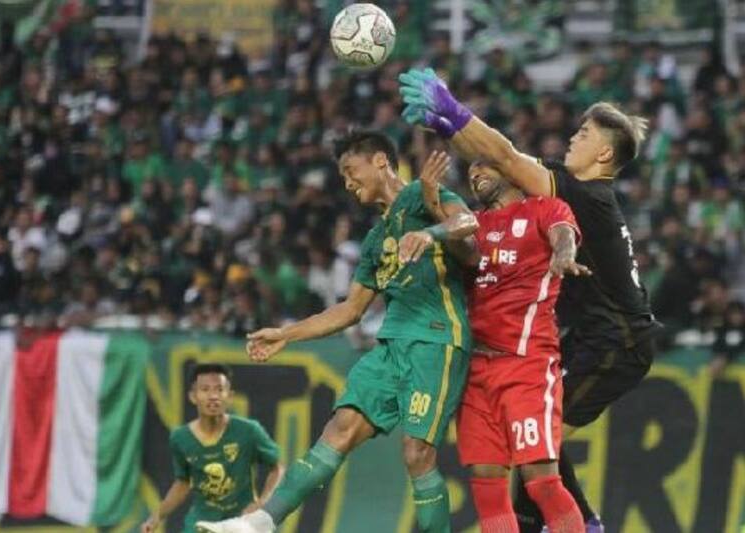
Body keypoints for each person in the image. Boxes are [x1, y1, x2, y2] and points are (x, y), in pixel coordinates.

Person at [398, 68, 662, 532]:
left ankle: (586, 525)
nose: (573, 138)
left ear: (604, 154)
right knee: (533, 452)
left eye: (584, 133)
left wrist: (455, 111)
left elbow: (503, 155)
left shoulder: (588, 197)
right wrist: (450, 130)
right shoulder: (568, 186)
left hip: (617, 341)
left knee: (540, 448)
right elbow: (502, 161)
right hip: (591, 336)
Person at [196, 131, 474, 533]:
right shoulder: (375, 239)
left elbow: (468, 223)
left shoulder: (421, 195)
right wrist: (286, 334)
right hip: (390, 347)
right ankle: (261, 522)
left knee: (417, 454)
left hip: (435, 339)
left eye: (350, 170)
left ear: (380, 160)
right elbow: (350, 310)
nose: (346, 182)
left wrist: (430, 229)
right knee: (340, 427)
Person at [405, 159, 588, 532]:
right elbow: (465, 251)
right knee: (486, 484)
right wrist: (432, 203)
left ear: (511, 168)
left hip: (526, 364)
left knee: (541, 481)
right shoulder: (475, 223)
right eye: (470, 169)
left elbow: (563, 234)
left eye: (484, 164)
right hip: (475, 370)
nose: (474, 173)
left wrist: (564, 253)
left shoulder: (544, 208)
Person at [140, 364, 285, 533]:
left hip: (241, 522)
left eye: (219, 389)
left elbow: (277, 466)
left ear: (229, 396)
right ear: (193, 396)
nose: (213, 396)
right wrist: (157, 516)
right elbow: (183, 482)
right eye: (205, 390)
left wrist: (263, 502)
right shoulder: (180, 438)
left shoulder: (249, 431)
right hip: (201, 522)